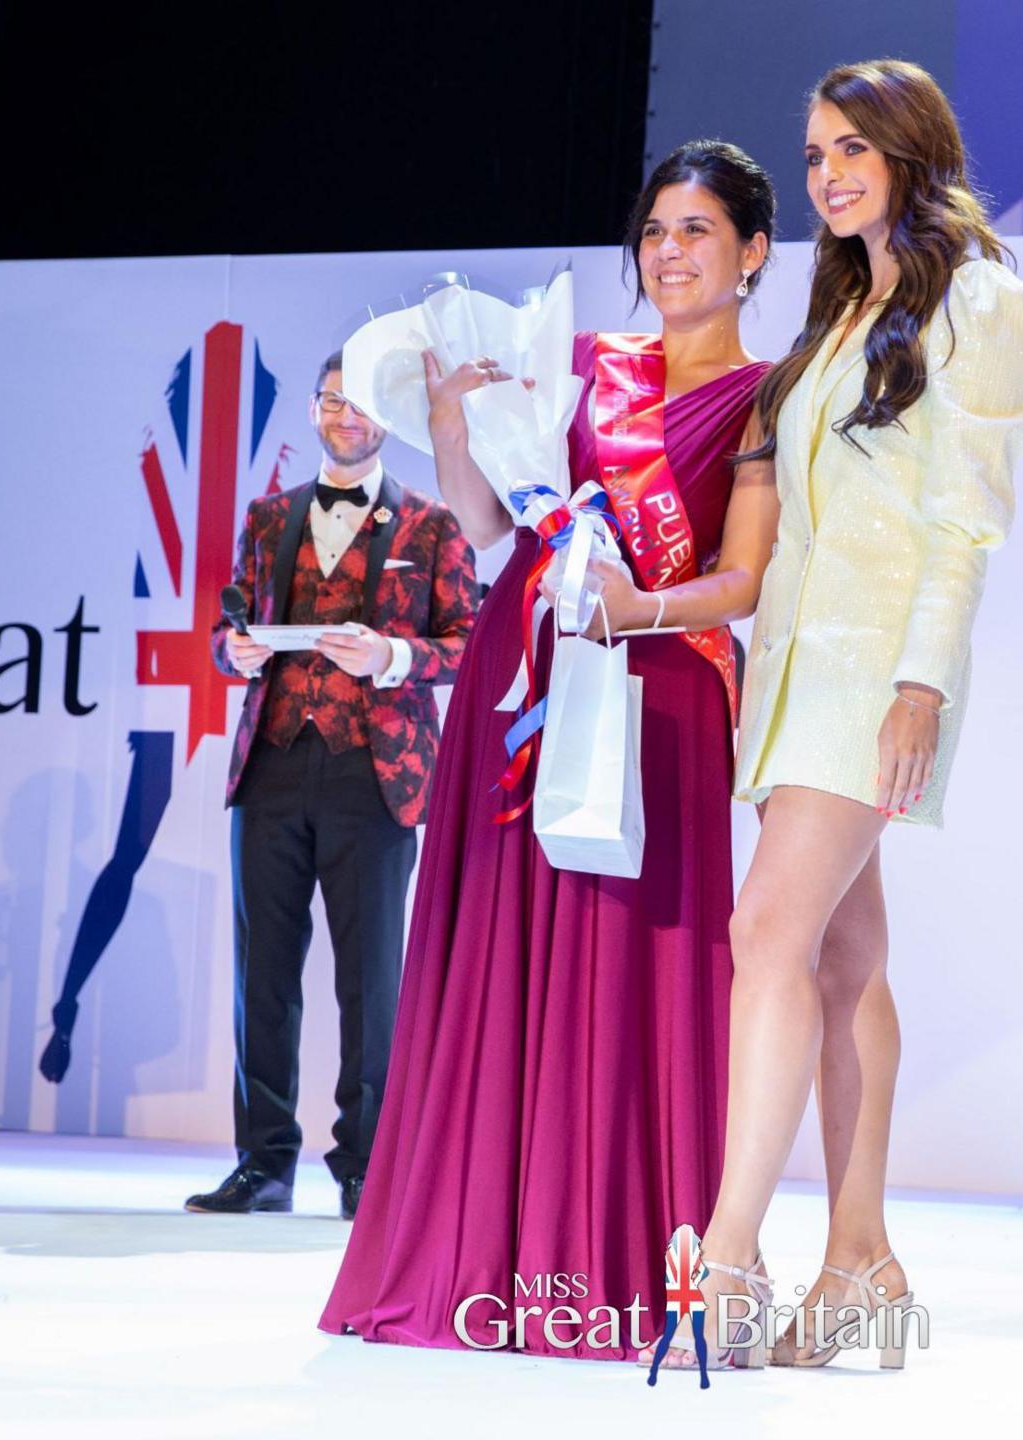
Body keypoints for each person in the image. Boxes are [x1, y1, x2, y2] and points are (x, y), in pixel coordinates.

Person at [320, 139, 779, 1361]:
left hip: (660, 693)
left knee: (641, 966)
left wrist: (638, 612)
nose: (669, 253)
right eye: (655, 231)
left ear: (753, 253)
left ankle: (631, 1266)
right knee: (500, 959)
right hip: (523, 682)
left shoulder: (767, 397)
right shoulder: (580, 365)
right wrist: (449, 423)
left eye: (695, 231)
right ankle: (467, 1257)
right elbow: (482, 524)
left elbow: (740, 580)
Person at [684, 59, 1023, 1370]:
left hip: (877, 678)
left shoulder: (982, 303)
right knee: (840, 964)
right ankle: (860, 1257)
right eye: (818, 151)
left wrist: (921, 686)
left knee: (764, 935)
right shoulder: (846, 313)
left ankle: (727, 1253)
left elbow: (963, 526)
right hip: (802, 675)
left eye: (854, 149)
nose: (831, 173)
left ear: (912, 151)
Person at [184, 353, 479, 1218]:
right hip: (272, 765)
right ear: (314, 409)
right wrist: (230, 649)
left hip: (374, 773)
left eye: (363, 402)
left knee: (370, 978)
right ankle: (263, 1162)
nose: (346, 416)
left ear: (390, 413)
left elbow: (466, 644)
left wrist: (391, 655)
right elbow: (233, 618)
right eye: (332, 400)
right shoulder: (269, 514)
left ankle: (367, 1168)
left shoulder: (431, 524)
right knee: (263, 975)